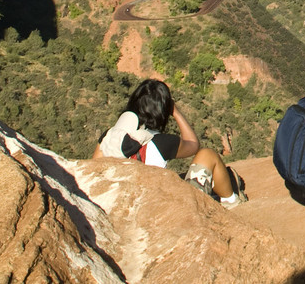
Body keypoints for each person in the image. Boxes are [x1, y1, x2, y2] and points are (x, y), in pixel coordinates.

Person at [95, 78, 246, 205]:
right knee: (207, 154)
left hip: (120, 202)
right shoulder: (161, 142)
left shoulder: (108, 137)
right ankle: (230, 202)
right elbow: (193, 144)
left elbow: (93, 167)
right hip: (158, 206)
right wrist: (175, 112)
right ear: (163, 110)